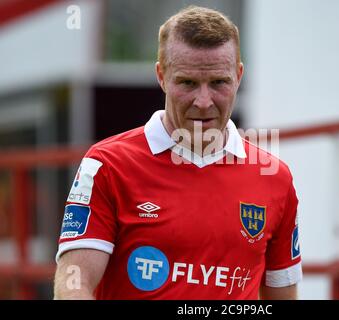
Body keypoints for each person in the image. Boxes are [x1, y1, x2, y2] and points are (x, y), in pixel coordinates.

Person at [54, 5, 302, 300]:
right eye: (187, 83)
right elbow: (73, 284)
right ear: (161, 75)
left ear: (238, 75)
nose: (203, 101)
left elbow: (282, 295)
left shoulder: (274, 177)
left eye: (219, 82)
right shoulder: (107, 165)